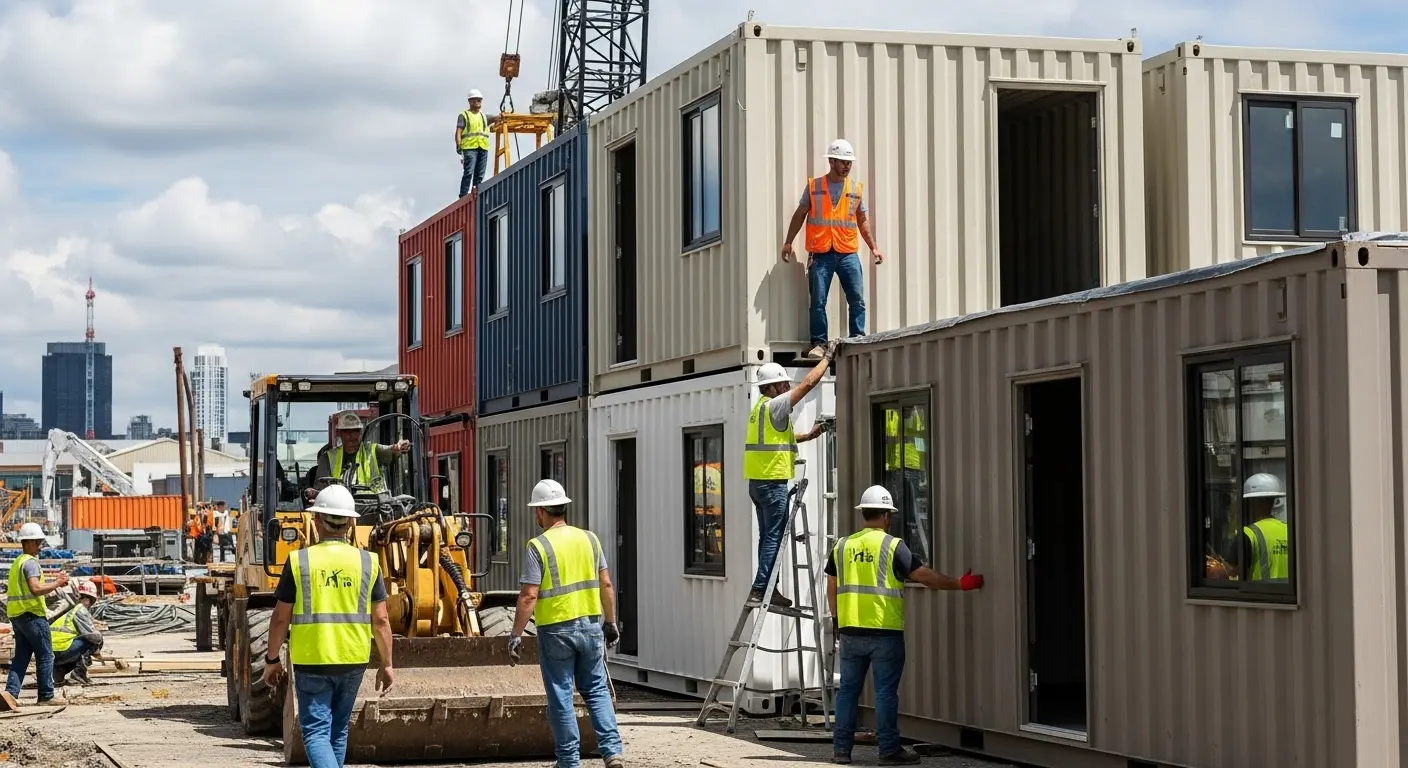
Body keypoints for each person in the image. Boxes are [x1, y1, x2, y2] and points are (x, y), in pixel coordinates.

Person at [825, 486, 985, 765]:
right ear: (887, 516)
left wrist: (838, 619)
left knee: (848, 691)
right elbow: (924, 576)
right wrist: (959, 584)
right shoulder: (892, 545)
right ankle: (888, 751)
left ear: (863, 513)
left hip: (850, 631)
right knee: (885, 692)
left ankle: (841, 752)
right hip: (885, 632)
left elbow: (831, 583)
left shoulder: (842, 545)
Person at [263, 485, 395, 768]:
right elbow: (381, 620)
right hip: (353, 660)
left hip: (313, 659)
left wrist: (272, 659)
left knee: (315, 732)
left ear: (316, 520)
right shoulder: (368, 562)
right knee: (338, 729)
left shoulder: (300, 561)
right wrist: (386, 663)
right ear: (351, 522)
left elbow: (279, 618)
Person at [508, 479, 624, 768]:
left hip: (556, 630)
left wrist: (516, 634)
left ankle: (569, 762)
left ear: (540, 512)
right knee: (596, 690)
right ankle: (612, 753)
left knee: (561, 695)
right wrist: (610, 622)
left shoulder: (538, 545)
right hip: (590, 625)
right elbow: (606, 584)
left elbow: (528, 596)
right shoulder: (590, 539)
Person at [744, 347, 836, 608]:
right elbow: (808, 384)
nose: (787, 387)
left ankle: (766, 587)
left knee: (767, 537)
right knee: (773, 537)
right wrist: (829, 358)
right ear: (772, 387)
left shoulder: (760, 409)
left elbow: (778, 439)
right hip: (772, 483)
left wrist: (807, 436)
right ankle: (762, 588)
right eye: (783, 384)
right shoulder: (775, 405)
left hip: (758, 483)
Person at [780, 138, 883, 360]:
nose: (847, 166)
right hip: (821, 252)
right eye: (843, 162)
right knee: (818, 301)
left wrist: (873, 248)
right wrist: (789, 241)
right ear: (832, 161)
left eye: (849, 162)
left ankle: (857, 338)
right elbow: (800, 214)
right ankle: (819, 343)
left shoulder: (855, 189)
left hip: (847, 252)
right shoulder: (815, 186)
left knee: (857, 299)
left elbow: (862, 220)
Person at [5, 522, 70, 706]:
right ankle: (46, 695)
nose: (41, 546)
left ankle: (10, 694)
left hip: (17, 616)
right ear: (31, 542)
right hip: (32, 615)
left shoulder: (18, 563)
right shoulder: (31, 563)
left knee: (22, 657)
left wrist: (55, 582)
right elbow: (35, 588)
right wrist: (58, 583)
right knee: (46, 655)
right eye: (40, 542)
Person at [307, 411, 411, 501]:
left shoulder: (373, 450)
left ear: (360, 432)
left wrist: (398, 447)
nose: (351, 435)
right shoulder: (328, 458)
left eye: (355, 430)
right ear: (339, 433)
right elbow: (320, 489)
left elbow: (391, 450)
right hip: (339, 510)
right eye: (346, 431)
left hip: (375, 508)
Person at [1239, 473, 1290, 582]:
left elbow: (1233, 571)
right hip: (1290, 596)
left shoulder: (1248, 533)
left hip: (1261, 594)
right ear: (1272, 502)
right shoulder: (1289, 530)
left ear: (1254, 503)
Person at [52, 579, 104, 686]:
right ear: (89, 599)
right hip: (60, 649)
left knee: (81, 646)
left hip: (52, 650)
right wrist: (97, 647)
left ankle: (58, 674)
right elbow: (91, 635)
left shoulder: (71, 608)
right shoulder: (81, 610)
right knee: (94, 640)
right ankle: (79, 675)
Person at [457, 89, 501, 197]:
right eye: (477, 100)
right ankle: (463, 195)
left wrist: (502, 115)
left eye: (480, 100)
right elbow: (458, 131)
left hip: (483, 147)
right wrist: (459, 146)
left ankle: (477, 194)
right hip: (469, 148)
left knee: (480, 174)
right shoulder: (464, 115)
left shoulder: (483, 117)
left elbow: (496, 118)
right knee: (469, 172)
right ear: (470, 101)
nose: (479, 102)